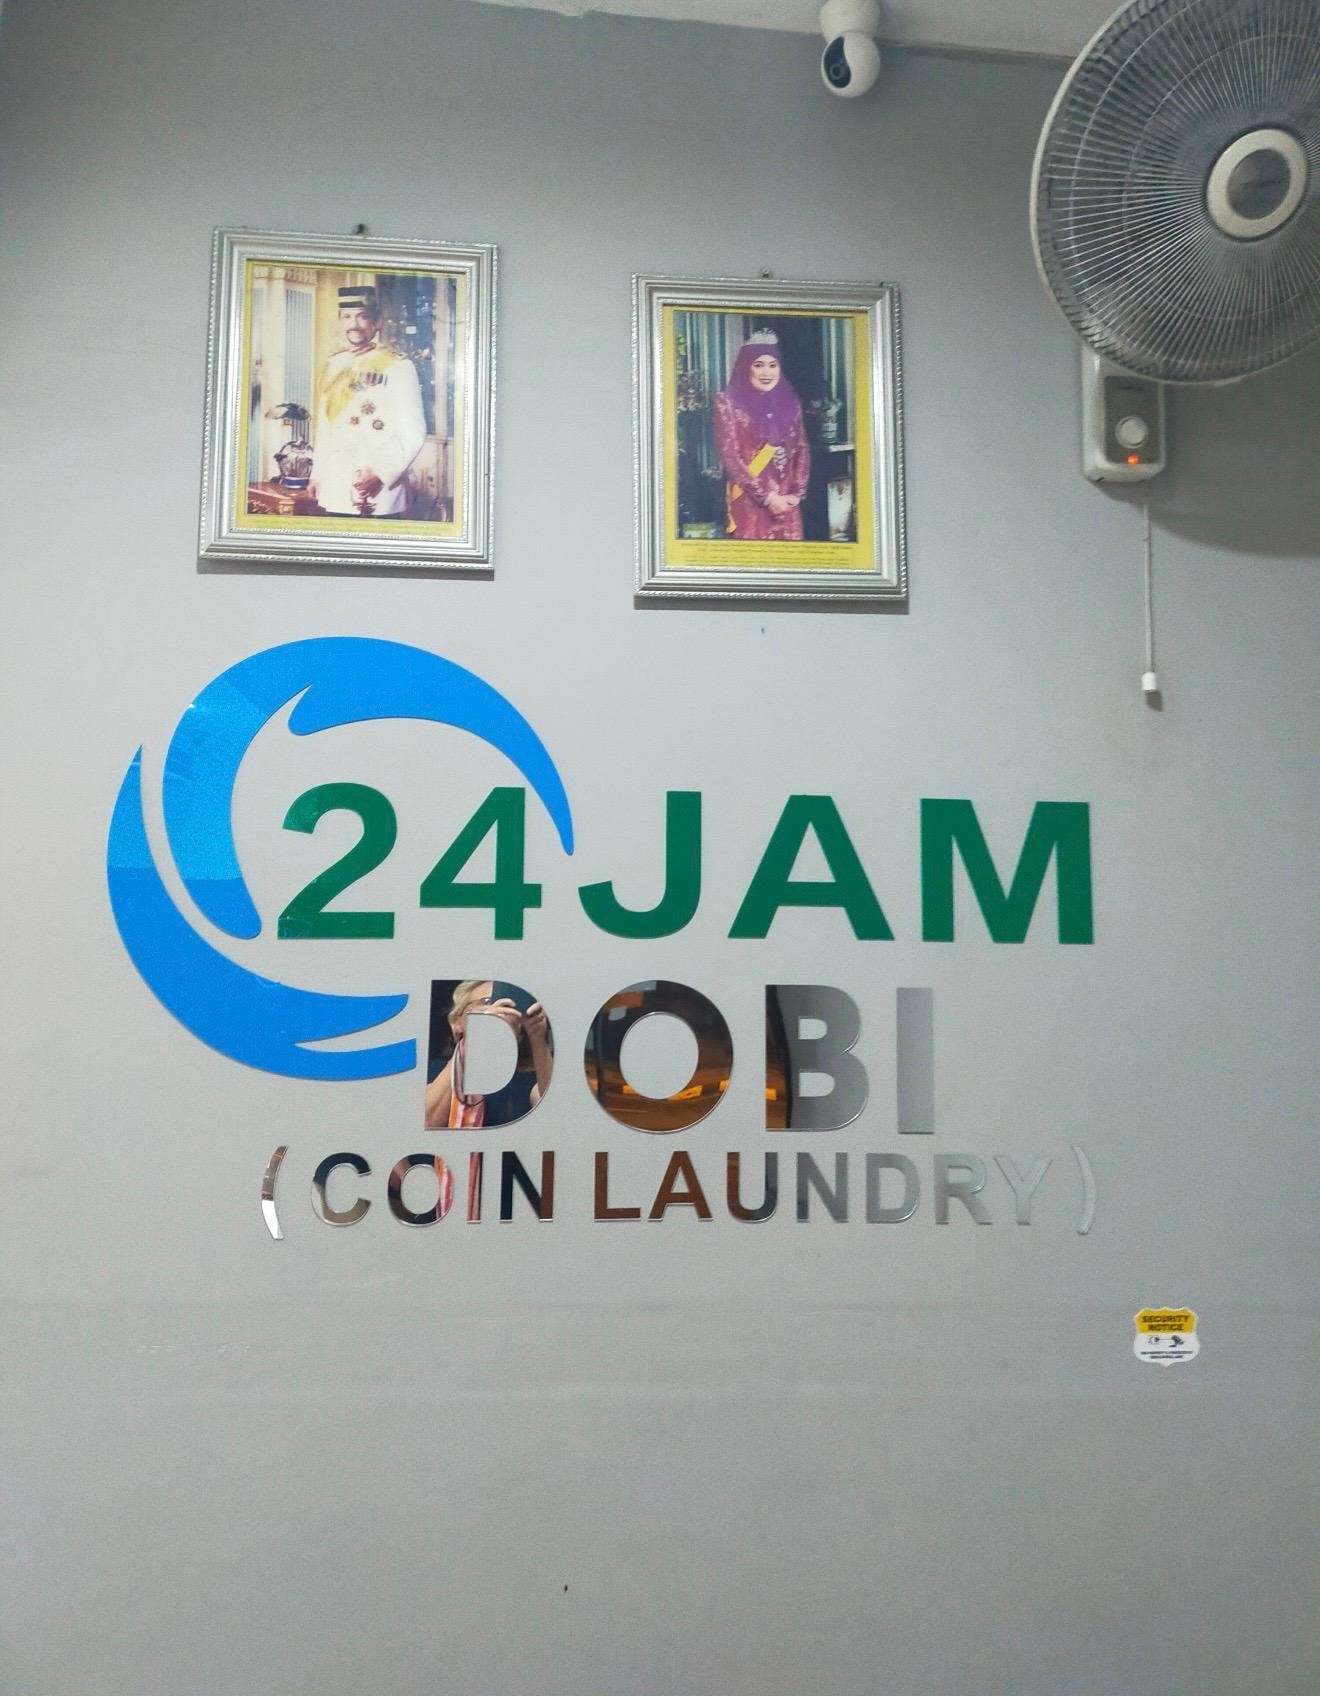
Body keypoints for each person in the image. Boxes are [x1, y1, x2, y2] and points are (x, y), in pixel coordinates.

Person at [310, 285, 426, 517]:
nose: (353, 324)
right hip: (337, 485)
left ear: (377, 321)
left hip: (379, 490)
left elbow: (413, 433)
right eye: (346, 317)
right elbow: (325, 427)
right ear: (340, 321)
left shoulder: (398, 366)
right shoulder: (333, 365)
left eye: (362, 316)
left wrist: (381, 474)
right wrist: (317, 474)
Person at [711, 331, 811, 541]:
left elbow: (801, 447)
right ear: (745, 366)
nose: (767, 372)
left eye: (773, 365)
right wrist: (767, 496)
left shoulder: (789, 402)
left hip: (787, 504)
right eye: (758, 365)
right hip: (751, 504)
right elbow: (730, 457)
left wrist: (796, 493)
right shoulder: (727, 403)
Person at [423, 981, 553, 1129]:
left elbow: (557, 1118)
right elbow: (425, 1121)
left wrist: (537, 1036)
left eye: (508, 1006)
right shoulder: (432, 1070)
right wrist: (478, 1035)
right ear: (456, 1023)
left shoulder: (532, 1078)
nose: (499, 1010)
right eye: (486, 1002)